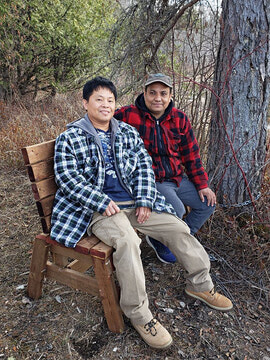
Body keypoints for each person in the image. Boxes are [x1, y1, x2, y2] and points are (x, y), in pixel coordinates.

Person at [50, 76, 233, 350]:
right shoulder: (71, 137)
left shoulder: (126, 132)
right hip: (99, 210)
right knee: (128, 241)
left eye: (110, 100)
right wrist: (100, 201)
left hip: (135, 204)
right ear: (85, 102)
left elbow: (144, 168)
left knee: (177, 227)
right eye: (98, 99)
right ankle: (139, 313)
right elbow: (68, 178)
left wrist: (146, 199)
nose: (105, 105)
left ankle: (200, 284)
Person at [114, 73, 216, 264]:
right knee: (175, 208)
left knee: (207, 203)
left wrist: (202, 184)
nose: (157, 98)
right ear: (144, 93)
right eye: (152, 93)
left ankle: (178, 239)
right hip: (151, 180)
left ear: (170, 96)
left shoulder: (179, 119)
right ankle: (160, 240)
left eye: (163, 93)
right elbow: (101, 121)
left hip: (177, 178)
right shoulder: (127, 115)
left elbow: (191, 155)